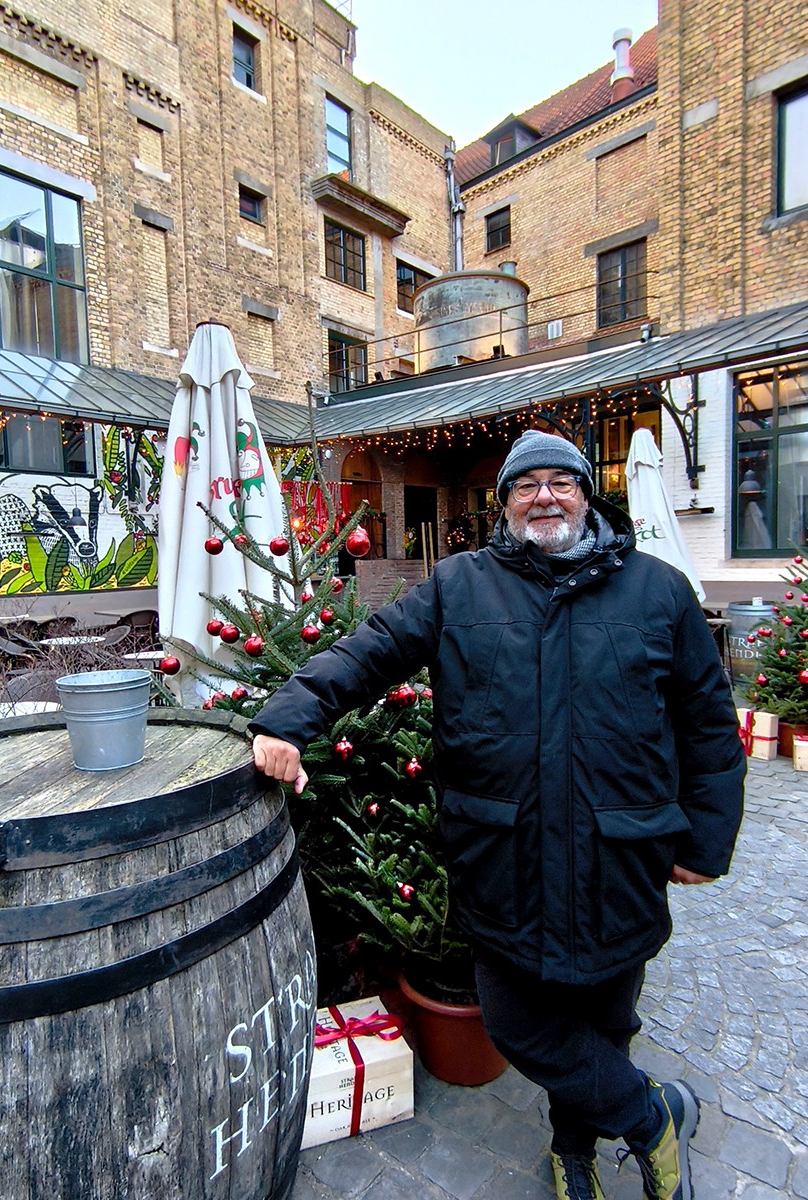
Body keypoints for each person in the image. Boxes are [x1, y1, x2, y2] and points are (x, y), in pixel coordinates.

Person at [251, 429, 746, 1200]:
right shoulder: (459, 587)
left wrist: (706, 839)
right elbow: (368, 651)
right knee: (517, 1022)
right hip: (503, 857)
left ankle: (573, 1152)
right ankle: (652, 1117)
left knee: (605, 1024)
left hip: (622, 855)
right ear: (504, 503)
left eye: (561, 482)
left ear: (587, 496)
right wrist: (288, 719)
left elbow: (708, 725)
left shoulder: (660, 591)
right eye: (526, 485)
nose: (544, 496)